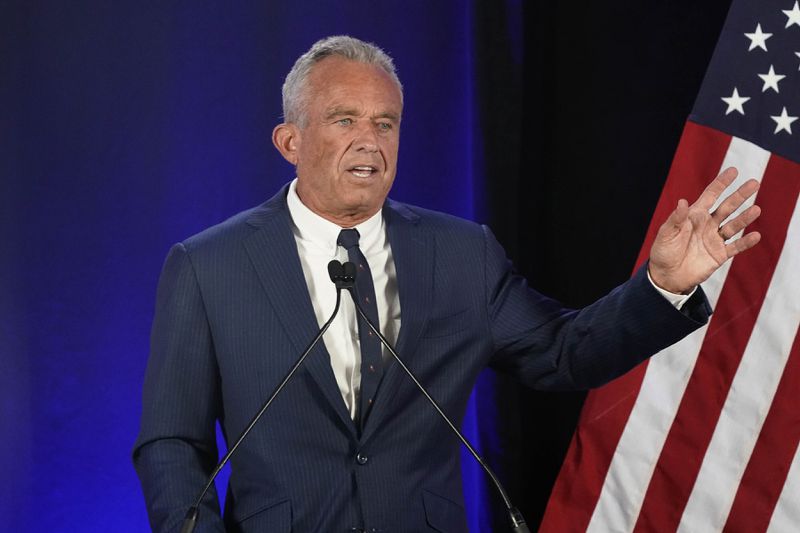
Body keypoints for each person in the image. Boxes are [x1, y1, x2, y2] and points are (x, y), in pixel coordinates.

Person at [133, 36, 761, 532]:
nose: (368, 141)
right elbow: (171, 441)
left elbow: (564, 354)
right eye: (343, 119)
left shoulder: (461, 254)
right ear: (290, 141)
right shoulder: (208, 265)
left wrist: (659, 286)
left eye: (385, 123)